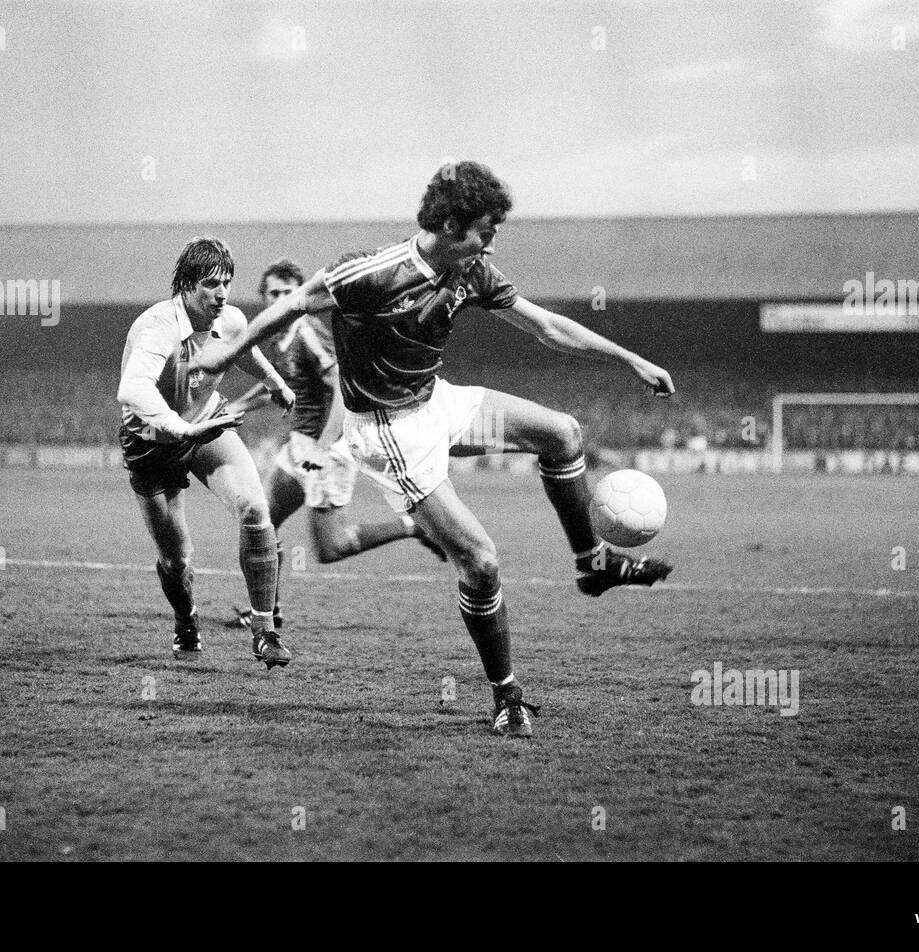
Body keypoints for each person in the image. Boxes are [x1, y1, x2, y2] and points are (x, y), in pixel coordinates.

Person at [196, 162, 676, 736]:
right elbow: (296, 301)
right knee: (482, 560)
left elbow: (545, 325)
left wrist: (631, 359)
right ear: (450, 223)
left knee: (563, 433)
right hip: (389, 432)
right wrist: (225, 357)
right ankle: (506, 695)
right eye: (486, 229)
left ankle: (592, 563)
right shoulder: (373, 271)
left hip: (436, 401)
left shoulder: (471, 270)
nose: (492, 242)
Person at [228, 259, 447, 629]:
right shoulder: (281, 337)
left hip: (325, 451)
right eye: (274, 293)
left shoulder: (308, 331)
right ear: (264, 298)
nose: (281, 297)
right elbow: (280, 386)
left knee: (333, 547)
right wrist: (237, 406)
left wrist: (324, 447)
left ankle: (415, 527)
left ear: (300, 294)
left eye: (288, 291)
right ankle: (268, 610)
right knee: (260, 522)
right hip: (298, 450)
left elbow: (343, 387)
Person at [116, 236, 296, 668]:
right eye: (212, 285)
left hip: (207, 425)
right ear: (186, 284)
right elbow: (131, 389)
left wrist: (274, 381)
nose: (221, 295)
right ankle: (186, 620)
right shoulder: (158, 327)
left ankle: (265, 631)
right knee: (177, 561)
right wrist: (182, 427)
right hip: (153, 445)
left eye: (227, 284)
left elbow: (243, 349)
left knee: (255, 508)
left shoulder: (229, 318)